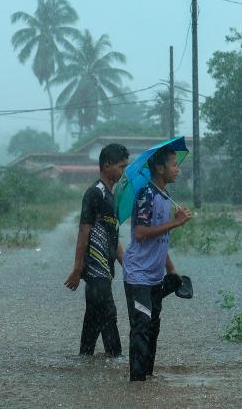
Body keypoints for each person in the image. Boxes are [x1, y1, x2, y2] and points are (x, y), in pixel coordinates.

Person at [122, 146, 192, 381]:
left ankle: (147, 382)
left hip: (155, 276)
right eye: (174, 164)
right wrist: (176, 223)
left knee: (153, 328)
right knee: (141, 328)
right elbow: (141, 233)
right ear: (160, 168)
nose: (178, 170)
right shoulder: (146, 195)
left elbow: (160, 242)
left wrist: (171, 269)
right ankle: (137, 385)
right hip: (138, 275)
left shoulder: (164, 197)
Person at [65, 143, 129, 358]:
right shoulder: (94, 193)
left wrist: (128, 266)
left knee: (92, 320)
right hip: (95, 271)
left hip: (106, 271)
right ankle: (118, 361)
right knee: (109, 315)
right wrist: (77, 268)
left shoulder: (112, 198)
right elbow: (84, 231)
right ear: (107, 165)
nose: (123, 172)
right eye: (121, 166)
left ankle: (84, 362)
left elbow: (114, 239)